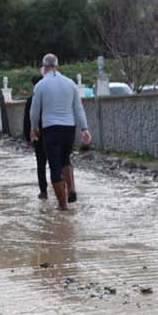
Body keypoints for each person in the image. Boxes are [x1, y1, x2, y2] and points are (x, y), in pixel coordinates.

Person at [27, 54, 92, 210]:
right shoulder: (70, 84)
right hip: (69, 128)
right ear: (57, 65)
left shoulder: (41, 85)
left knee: (55, 166)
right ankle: (71, 188)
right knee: (65, 159)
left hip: (50, 128)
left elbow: (34, 112)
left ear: (44, 67)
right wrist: (84, 128)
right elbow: (78, 108)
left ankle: (62, 205)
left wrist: (33, 129)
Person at [20, 75, 47, 199]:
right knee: (55, 162)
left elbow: (27, 120)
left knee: (40, 164)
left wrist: (27, 138)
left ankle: (43, 191)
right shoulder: (49, 98)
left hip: (37, 135)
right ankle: (61, 187)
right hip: (51, 133)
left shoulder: (31, 100)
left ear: (33, 85)